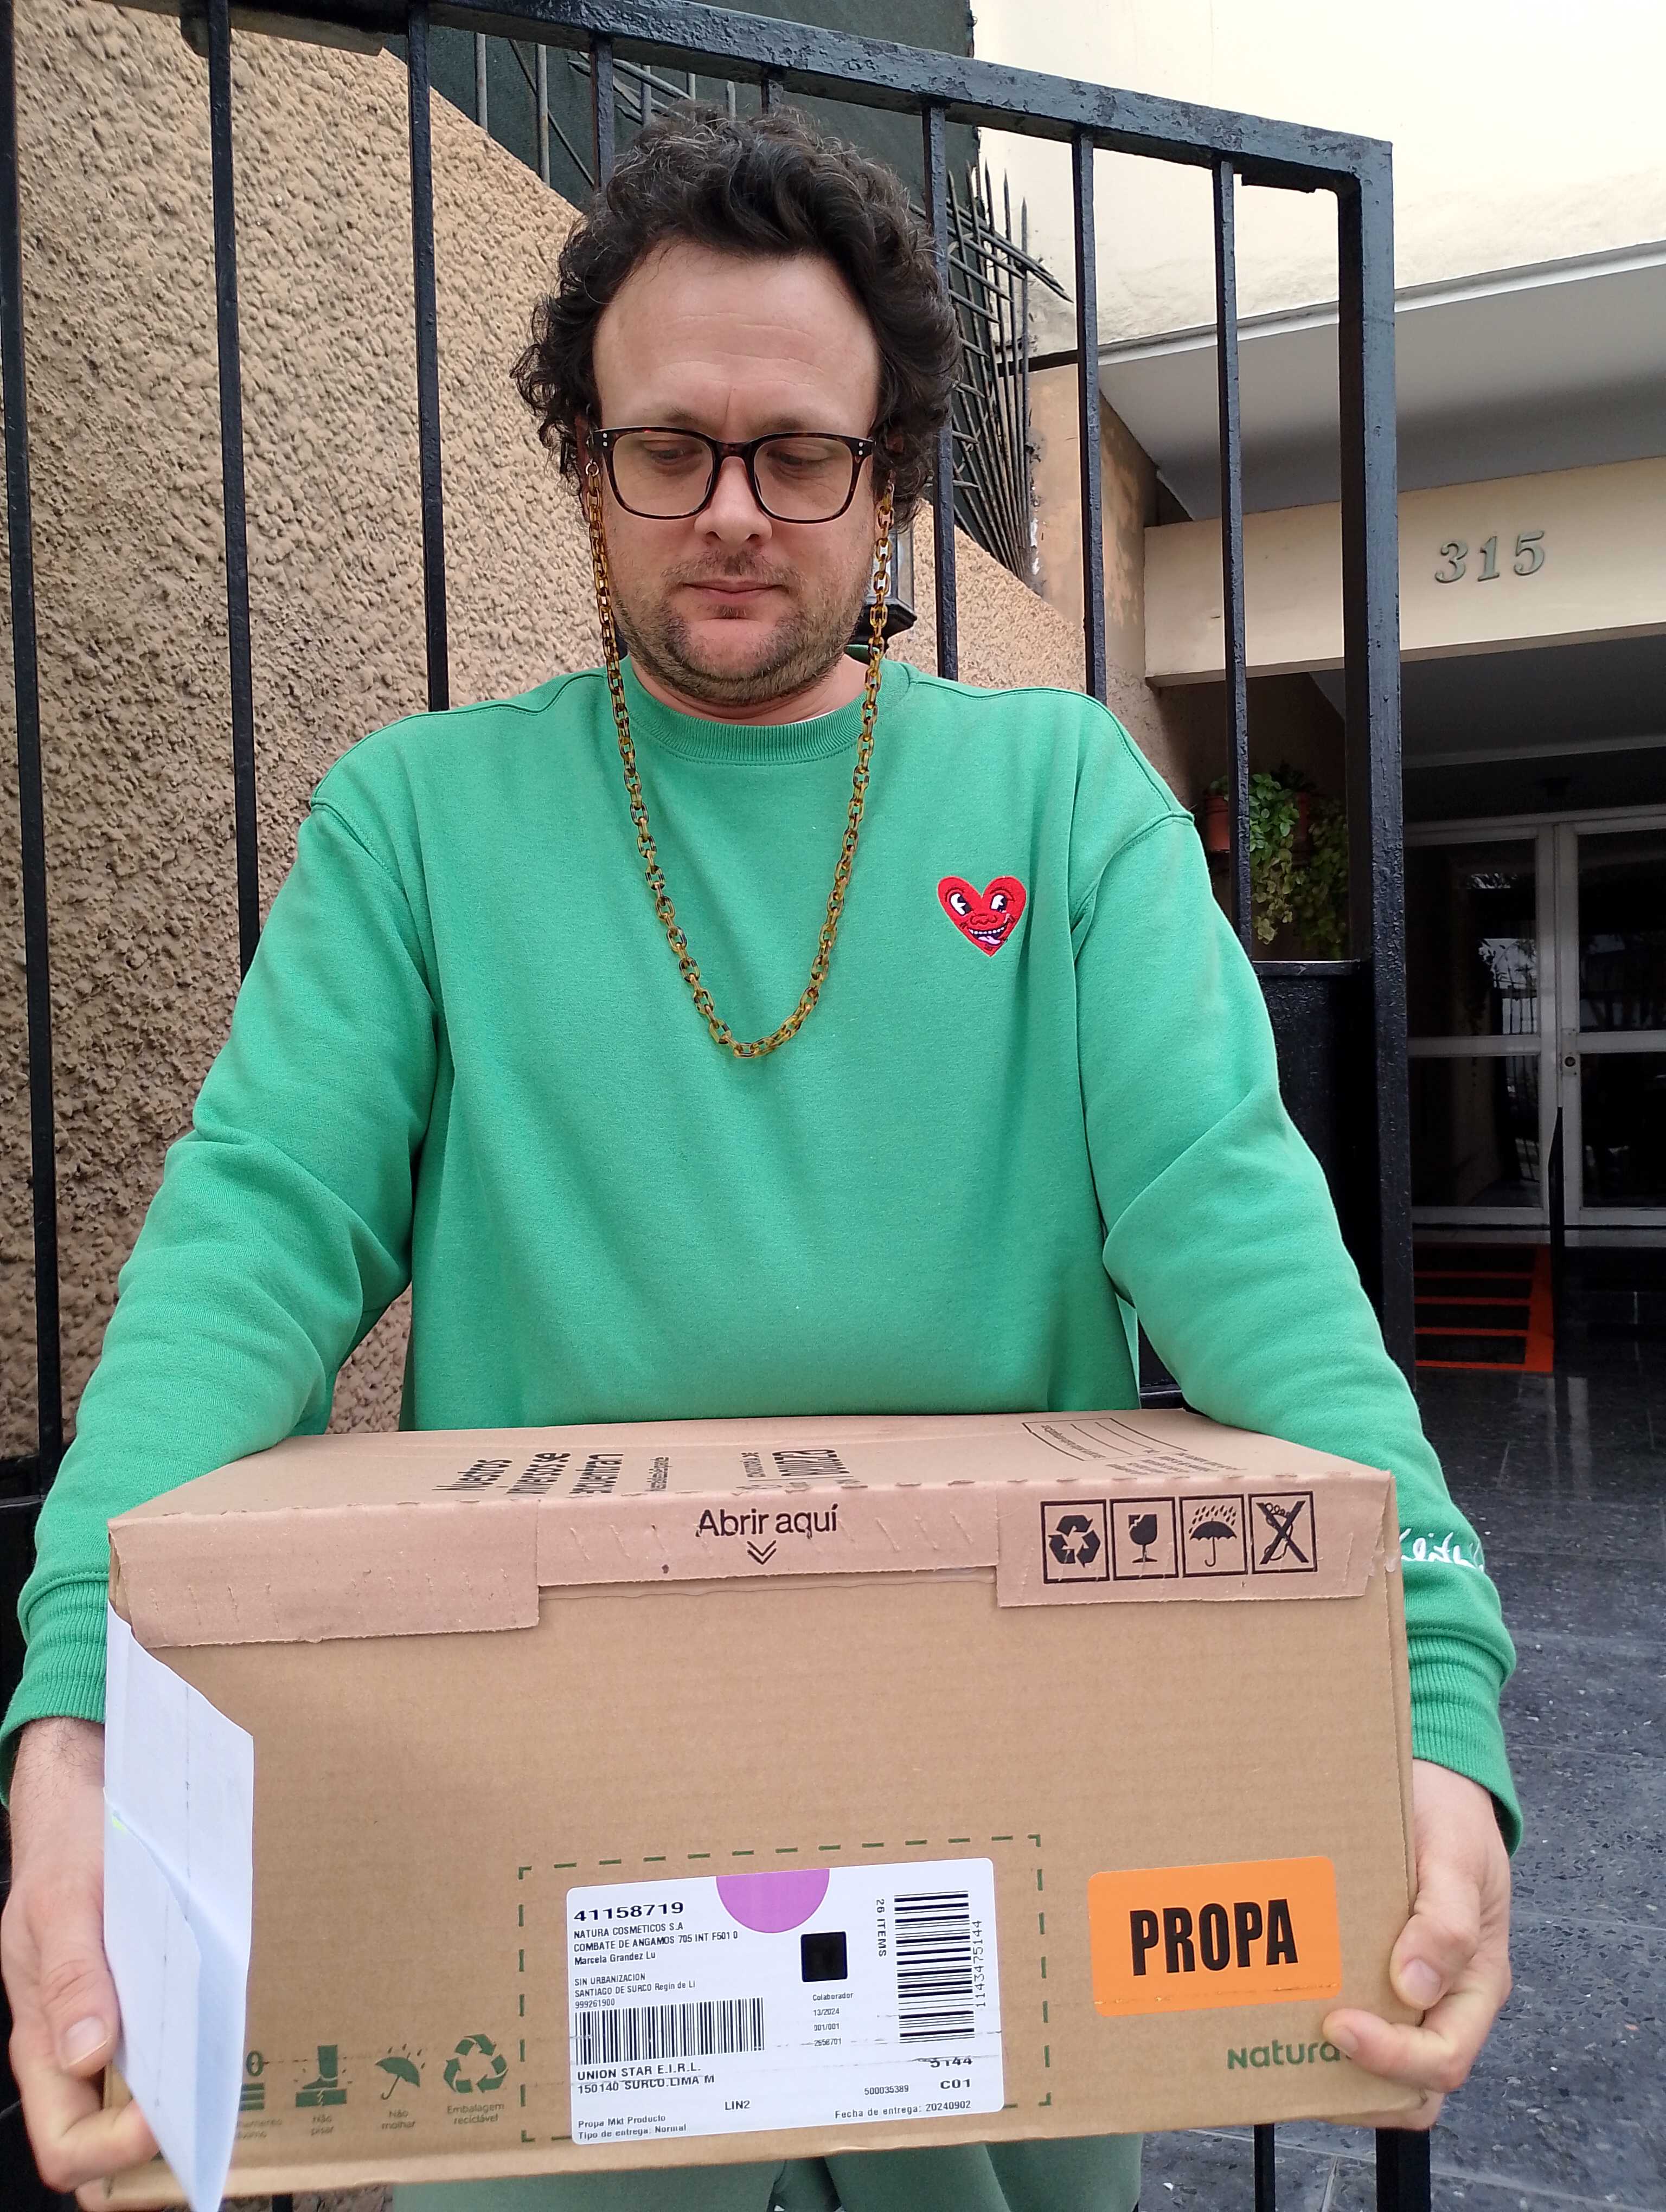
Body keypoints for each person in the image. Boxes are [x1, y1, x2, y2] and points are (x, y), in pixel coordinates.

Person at [2, 106, 1514, 2212]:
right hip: (541, 1950)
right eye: (667, 448)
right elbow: (248, 1241)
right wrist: (75, 1713)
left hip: (998, 1939)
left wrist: (1437, 1695)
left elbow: (1243, 1239)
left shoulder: (1063, 803)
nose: (730, 510)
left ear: (890, 478)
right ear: (583, 461)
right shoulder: (418, 826)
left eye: (798, 454)